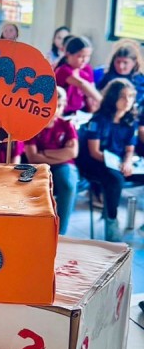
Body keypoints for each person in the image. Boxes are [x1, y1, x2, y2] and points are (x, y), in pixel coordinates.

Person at [77, 79, 139, 241]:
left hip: (117, 162)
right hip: (95, 162)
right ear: (113, 98)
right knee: (115, 178)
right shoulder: (98, 120)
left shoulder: (130, 121)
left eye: (131, 97)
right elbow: (94, 152)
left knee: (124, 175)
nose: (128, 101)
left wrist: (127, 162)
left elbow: (129, 149)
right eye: (123, 97)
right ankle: (111, 220)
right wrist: (118, 165)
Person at [24, 87, 79, 235]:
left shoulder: (67, 125)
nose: (56, 110)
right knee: (33, 187)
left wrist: (45, 153)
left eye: (60, 106)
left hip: (64, 166)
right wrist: (61, 153)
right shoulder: (33, 125)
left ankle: (61, 233)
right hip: (39, 166)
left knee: (67, 184)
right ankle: (34, 231)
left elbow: (73, 152)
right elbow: (32, 157)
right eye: (52, 106)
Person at [55, 36, 101, 115]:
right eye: (80, 56)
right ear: (68, 54)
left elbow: (91, 91)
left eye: (88, 56)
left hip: (80, 113)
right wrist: (102, 101)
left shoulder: (87, 69)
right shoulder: (63, 70)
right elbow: (82, 84)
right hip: (62, 113)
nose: (84, 60)